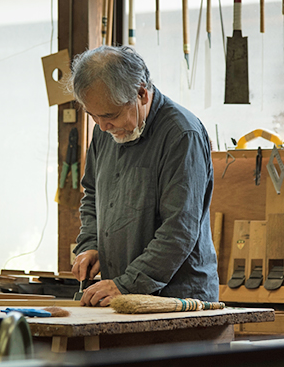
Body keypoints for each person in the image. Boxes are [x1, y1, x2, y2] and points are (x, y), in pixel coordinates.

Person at [68, 45, 219, 307]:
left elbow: (179, 230)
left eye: (110, 115)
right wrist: (91, 244)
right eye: (93, 116)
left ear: (141, 93)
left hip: (176, 302)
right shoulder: (105, 131)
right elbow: (92, 194)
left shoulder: (182, 135)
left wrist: (126, 284)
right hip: (124, 297)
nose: (103, 126)